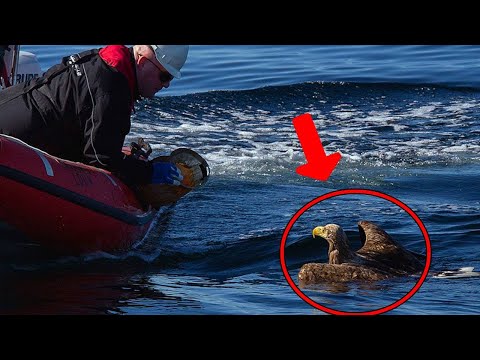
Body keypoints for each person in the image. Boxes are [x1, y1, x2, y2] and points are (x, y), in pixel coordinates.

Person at [0, 45, 189, 187]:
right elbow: (101, 157)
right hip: (13, 134)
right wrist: (148, 172)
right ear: (141, 61)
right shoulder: (113, 85)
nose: (166, 85)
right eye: (164, 76)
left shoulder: (101, 63)